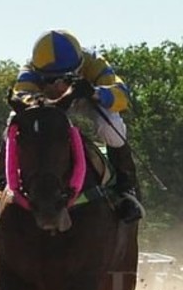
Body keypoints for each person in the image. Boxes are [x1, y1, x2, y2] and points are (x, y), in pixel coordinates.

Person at [9, 30, 143, 223]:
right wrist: (44, 101)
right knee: (12, 120)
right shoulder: (29, 68)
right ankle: (2, 183)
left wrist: (95, 92)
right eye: (50, 80)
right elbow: (21, 94)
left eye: (65, 78)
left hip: (86, 101)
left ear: (79, 67)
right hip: (47, 107)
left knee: (111, 126)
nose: (58, 85)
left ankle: (126, 188)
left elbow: (122, 96)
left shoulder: (94, 62)